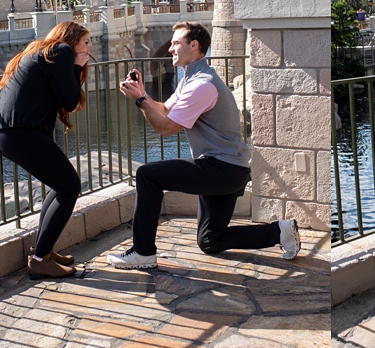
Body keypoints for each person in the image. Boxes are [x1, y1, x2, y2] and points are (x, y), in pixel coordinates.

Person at [108, 21, 300, 269]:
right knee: (210, 240)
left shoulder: (202, 85)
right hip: (228, 169)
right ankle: (280, 232)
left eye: (176, 43)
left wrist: (141, 101)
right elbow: (165, 110)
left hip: (221, 169)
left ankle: (143, 252)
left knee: (147, 176)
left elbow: (166, 128)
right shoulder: (193, 79)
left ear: (194, 45)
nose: (170, 49)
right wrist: (142, 94)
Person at [0, 21, 90, 279]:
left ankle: (42, 251)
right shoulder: (62, 51)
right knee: (70, 187)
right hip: (21, 133)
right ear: (73, 40)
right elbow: (68, 99)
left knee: (62, 186)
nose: (88, 48)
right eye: (86, 42)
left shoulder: (42, 50)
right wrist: (78, 66)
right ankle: (39, 259)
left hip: (11, 132)